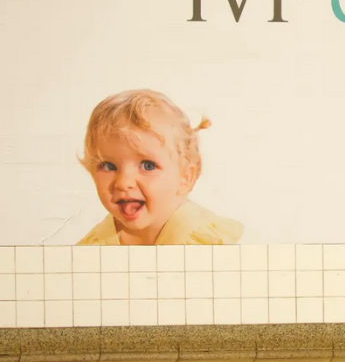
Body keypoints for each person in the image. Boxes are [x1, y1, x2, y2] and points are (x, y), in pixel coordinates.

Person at [77, 89, 242, 246]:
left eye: (148, 166)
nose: (123, 182)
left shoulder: (201, 241)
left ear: (185, 176)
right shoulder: (95, 244)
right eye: (108, 166)